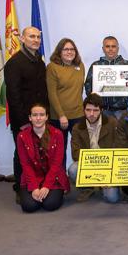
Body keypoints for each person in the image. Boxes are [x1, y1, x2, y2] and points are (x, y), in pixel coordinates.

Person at [4, 26, 49, 202]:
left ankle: (38, 184)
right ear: (22, 39)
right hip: (23, 119)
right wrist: (24, 121)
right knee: (22, 153)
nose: (36, 40)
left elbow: (42, 91)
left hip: (40, 118)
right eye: (31, 36)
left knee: (40, 152)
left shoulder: (39, 61)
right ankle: (20, 188)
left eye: (38, 37)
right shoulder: (14, 63)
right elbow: (13, 96)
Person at [17, 103, 69, 213]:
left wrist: (46, 186)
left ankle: (57, 193)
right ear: (30, 118)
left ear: (47, 117)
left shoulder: (57, 134)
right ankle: (38, 194)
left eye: (41, 115)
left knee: (50, 204)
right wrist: (34, 187)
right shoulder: (22, 136)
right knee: (29, 206)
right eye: (35, 115)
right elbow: (25, 165)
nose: (38, 118)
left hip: (54, 178)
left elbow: (57, 164)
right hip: (32, 177)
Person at [68, 94, 119, 203]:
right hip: (88, 164)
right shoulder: (77, 128)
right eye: (88, 110)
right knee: (72, 169)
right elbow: (75, 154)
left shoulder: (112, 123)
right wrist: (94, 164)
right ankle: (88, 188)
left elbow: (118, 148)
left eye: (95, 110)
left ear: (101, 110)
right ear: (84, 110)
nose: (91, 114)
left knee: (112, 198)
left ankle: (103, 186)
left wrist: (107, 173)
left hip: (108, 165)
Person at [46, 38, 85, 166]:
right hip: (59, 117)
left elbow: (78, 90)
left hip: (78, 115)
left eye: (72, 49)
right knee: (59, 151)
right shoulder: (52, 67)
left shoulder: (80, 66)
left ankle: (83, 180)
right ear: (59, 51)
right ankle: (59, 180)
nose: (69, 52)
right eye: (66, 49)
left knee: (80, 149)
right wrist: (61, 115)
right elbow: (52, 93)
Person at [84, 36, 128, 119]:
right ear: (103, 49)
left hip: (121, 110)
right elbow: (88, 85)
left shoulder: (127, 65)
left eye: (113, 46)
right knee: (104, 132)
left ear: (118, 48)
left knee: (120, 132)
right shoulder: (96, 65)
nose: (110, 49)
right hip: (102, 110)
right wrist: (93, 98)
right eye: (107, 46)